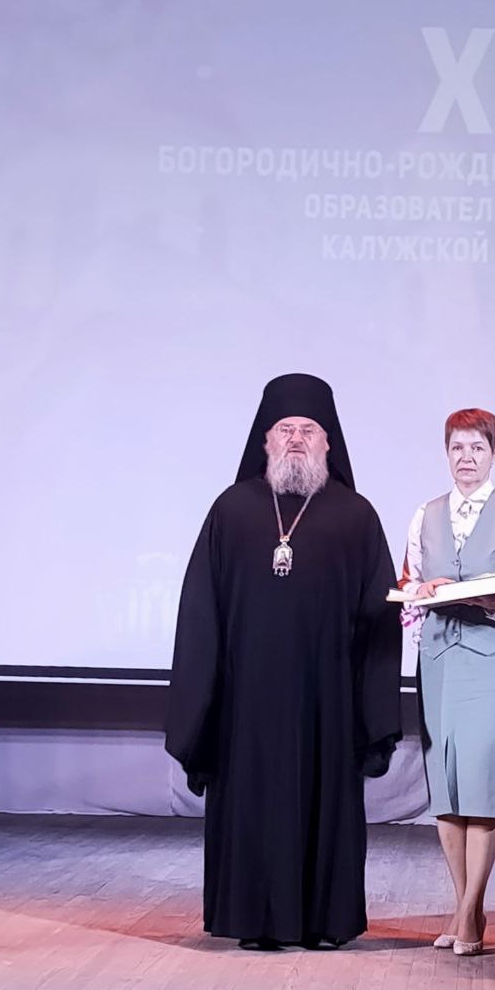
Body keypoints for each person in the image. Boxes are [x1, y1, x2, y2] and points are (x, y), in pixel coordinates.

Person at [165, 373, 401, 950]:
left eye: (308, 430)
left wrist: (372, 710)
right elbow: (200, 611)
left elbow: (379, 616)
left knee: (324, 805)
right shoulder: (231, 510)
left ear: (328, 443)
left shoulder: (356, 516)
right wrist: (201, 705)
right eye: (285, 429)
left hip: (327, 702)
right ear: (265, 440)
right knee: (251, 804)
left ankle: (323, 922)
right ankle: (253, 921)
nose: (296, 439)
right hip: (245, 702)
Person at [399, 409, 495, 956]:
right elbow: (408, 590)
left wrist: (492, 601)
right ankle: (468, 911)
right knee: (449, 789)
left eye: (477, 448)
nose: (466, 458)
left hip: (493, 659)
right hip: (439, 659)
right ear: (446, 453)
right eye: (457, 447)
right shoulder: (425, 515)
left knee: (484, 783)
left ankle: (466, 916)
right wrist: (421, 591)